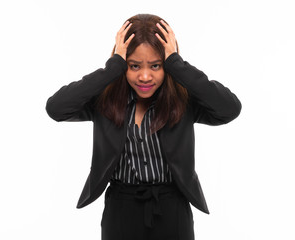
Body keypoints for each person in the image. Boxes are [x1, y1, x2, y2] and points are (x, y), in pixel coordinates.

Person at [46, 13, 241, 240]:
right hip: (121, 207)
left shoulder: (182, 101)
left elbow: (229, 109)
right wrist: (112, 68)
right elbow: (56, 108)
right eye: (134, 66)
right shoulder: (105, 101)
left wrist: (177, 65)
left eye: (156, 65)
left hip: (172, 206)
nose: (145, 76)